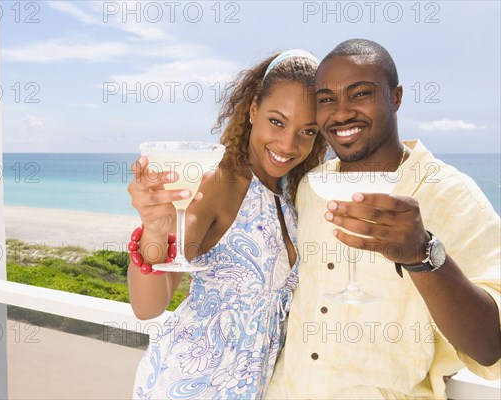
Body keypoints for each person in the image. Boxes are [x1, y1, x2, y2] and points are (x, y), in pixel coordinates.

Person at [266, 38, 501, 399]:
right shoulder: (312, 188)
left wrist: (423, 256)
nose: (341, 113)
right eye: (327, 99)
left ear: (395, 97)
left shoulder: (450, 193)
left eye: (360, 94)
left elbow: (491, 346)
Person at [127, 49, 327, 399]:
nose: (287, 143)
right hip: (188, 385)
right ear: (253, 110)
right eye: (277, 121)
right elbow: (148, 307)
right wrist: (156, 230)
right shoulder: (218, 184)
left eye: (307, 131)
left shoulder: (290, 199)